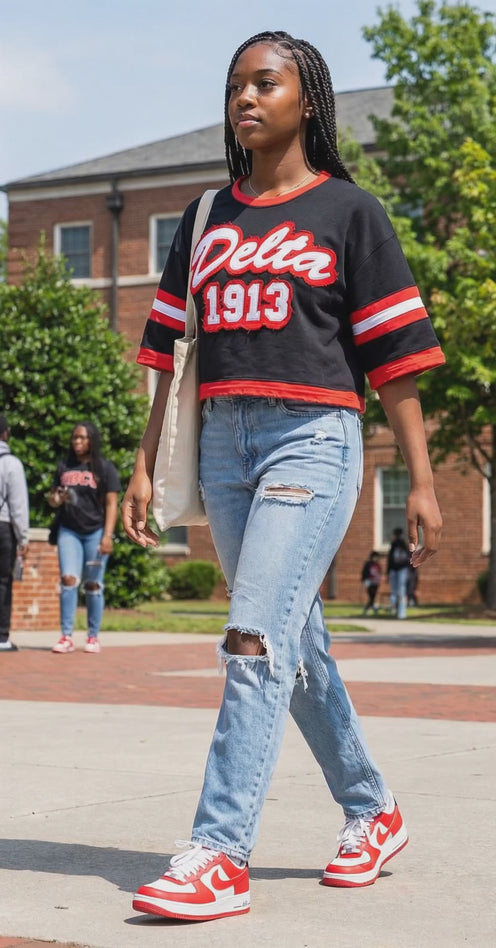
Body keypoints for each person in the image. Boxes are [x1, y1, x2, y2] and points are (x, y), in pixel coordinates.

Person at [122, 30, 444, 922]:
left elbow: (396, 360)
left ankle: (219, 852)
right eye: (235, 87)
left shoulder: (349, 212)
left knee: (252, 641)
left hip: (314, 438)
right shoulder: (203, 218)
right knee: (294, 652)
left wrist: (418, 480)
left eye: (265, 83)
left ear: (309, 99)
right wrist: (143, 466)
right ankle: (372, 810)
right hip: (223, 443)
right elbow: (164, 352)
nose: (245, 100)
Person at [48, 422, 120, 654]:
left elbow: (111, 504)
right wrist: (57, 499)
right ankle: (66, 636)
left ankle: (92, 637)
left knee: (93, 584)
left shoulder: (104, 468)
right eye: (74, 438)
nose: (77, 442)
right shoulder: (63, 466)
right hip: (68, 531)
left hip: (95, 532)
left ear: (92, 440)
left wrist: (108, 535)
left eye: (82, 438)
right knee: (68, 580)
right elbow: (52, 499)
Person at [0, 414, 29, 652]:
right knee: (2, 582)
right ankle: (1, 637)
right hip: (3, 527)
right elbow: (18, 506)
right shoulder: (11, 464)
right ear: (5, 433)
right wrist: (23, 538)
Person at [386, 527, 411, 620]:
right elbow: (408, 557)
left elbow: (390, 559)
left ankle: (395, 609)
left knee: (395, 590)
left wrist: (388, 572)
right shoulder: (403, 544)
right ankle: (401, 613)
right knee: (401, 590)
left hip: (396, 569)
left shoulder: (395, 544)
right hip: (401, 569)